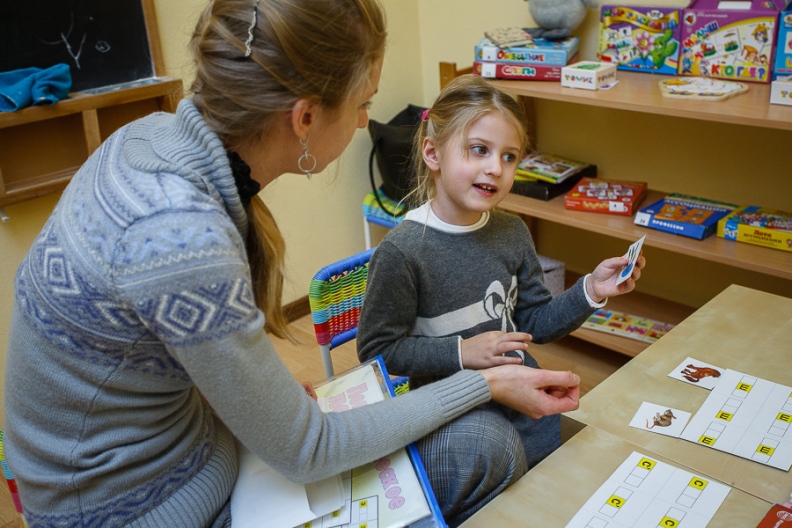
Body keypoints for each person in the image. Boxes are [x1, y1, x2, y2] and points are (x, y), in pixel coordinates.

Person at [3, 1, 584, 527]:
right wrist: (485, 384)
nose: (363, 123)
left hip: (175, 449)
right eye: (361, 105)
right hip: (141, 508)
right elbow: (308, 452)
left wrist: (260, 402)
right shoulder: (181, 236)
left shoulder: (149, 138)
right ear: (305, 118)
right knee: (486, 445)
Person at [357, 74, 646, 525]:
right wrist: (462, 352)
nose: (496, 167)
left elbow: (537, 322)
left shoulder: (511, 231)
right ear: (433, 153)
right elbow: (377, 353)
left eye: (509, 157)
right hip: (453, 419)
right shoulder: (402, 252)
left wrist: (591, 290)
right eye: (479, 150)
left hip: (523, 405)